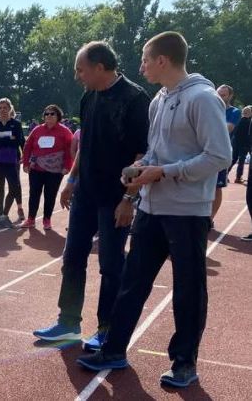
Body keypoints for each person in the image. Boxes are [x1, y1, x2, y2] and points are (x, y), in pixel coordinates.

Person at [77, 31, 232, 389]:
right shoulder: (159, 100)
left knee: (188, 289)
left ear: (163, 60)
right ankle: (114, 349)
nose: (141, 65)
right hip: (151, 206)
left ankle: (184, 364)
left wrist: (163, 172)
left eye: (146, 59)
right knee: (132, 282)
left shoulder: (203, 98)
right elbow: (156, 151)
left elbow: (219, 156)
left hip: (187, 212)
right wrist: (141, 168)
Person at [33, 41, 150, 352]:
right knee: (72, 259)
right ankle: (68, 322)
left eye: (80, 69)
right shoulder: (89, 97)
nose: (77, 75)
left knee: (111, 265)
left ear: (100, 67)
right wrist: (71, 180)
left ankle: (107, 328)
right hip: (85, 193)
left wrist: (130, 199)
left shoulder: (135, 99)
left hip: (116, 197)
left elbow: (142, 154)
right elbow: (85, 145)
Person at [20, 105, 74, 230]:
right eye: (46, 114)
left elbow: (69, 150)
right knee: (34, 194)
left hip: (55, 171)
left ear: (58, 116)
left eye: (52, 114)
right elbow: (28, 146)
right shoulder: (37, 130)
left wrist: (67, 166)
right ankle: (31, 219)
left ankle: (47, 220)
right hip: (36, 169)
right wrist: (26, 163)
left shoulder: (65, 131)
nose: (49, 116)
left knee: (50, 195)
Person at [0, 98, 26, 227]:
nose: (3, 110)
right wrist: (9, 137)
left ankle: (4, 212)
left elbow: (18, 141)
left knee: (14, 187)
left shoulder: (16, 124)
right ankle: (0, 213)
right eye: (1, 107)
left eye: (5, 107)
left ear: (10, 109)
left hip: (12, 160)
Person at [211, 84, 240, 225]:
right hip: (204, 151)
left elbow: (227, 129)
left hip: (221, 153)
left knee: (217, 187)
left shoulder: (235, 112)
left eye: (223, 95)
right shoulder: (210, 109)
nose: (220, 97)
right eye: (218, 94)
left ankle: (210, 219)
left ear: (230, 96)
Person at [229, 106, 251, 184]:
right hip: (244, 144)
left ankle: (225, 174)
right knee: (241, 160)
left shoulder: (238, 120)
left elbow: (233, 132)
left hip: (235, 142)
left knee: (233, 159)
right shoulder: (249, 122)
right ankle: (238, 177)